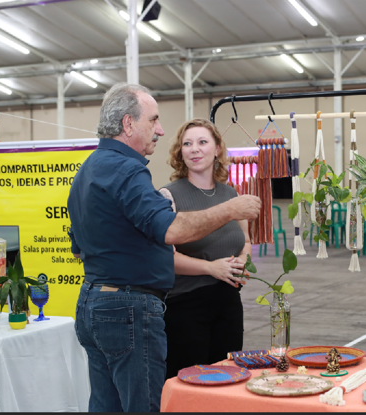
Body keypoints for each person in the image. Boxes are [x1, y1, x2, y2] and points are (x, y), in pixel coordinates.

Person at [67, 83, 261, 413]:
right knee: (145, 405)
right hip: (129, 306)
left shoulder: (89, 168)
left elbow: (77, 246)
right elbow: (171, 229)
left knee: (106, 405)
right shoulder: (127, 170)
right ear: (128, 124)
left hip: (95, 300)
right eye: (153, 120)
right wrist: (231, 210)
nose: (159, 129)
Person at [159, 119, 251, 379]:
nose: (194, 149)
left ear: (218, 149)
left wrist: (244, 260)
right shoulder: (168, 195)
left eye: (202, 142)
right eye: (187, 144)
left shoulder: (231, 195)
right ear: (180, 152)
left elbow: (245, 240)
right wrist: (210, 268)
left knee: (227, 378)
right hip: (186, 307)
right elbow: (164, 256)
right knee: (189, 382)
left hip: (229, 303)